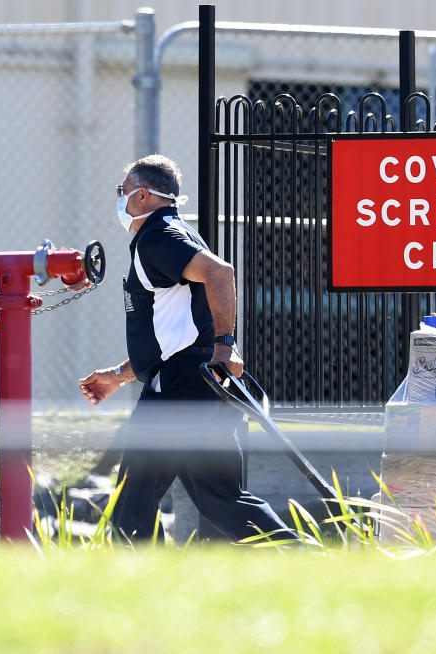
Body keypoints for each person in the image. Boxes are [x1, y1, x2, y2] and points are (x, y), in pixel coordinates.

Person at [79, 154, 292, 543]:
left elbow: (221, 273)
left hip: (182, 384)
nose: (120, 199)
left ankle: (131, 581)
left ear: (142, 195)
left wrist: (225, 346)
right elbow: (175, 331)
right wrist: (119, 376)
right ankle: (299, 556)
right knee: (221, 499)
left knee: (134, 494)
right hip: (199, 380)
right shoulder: (175, 234)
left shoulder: (159, 237)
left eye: (122, 191)